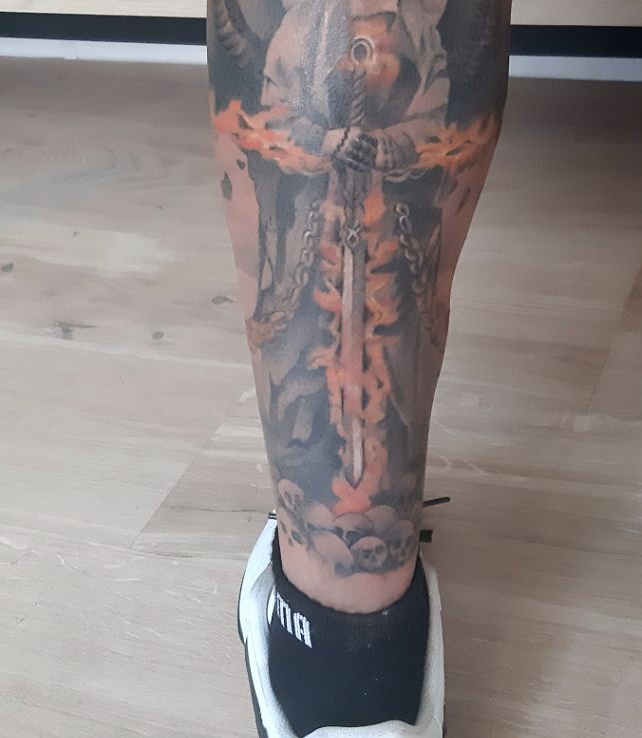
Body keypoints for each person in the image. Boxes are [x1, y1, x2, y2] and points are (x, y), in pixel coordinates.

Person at [207, 0, 511, 734]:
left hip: (380, 237)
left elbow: (430, 113)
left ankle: (337, 622)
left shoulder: (414, 45)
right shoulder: (299, 43)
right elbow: (276, 118)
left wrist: (385, 149)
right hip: (322, 241)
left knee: (375, 358)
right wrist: (325, 141)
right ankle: (360, 640)